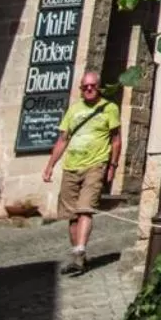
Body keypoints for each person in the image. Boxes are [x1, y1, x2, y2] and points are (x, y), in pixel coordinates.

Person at [41, 70, 121, 276]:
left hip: (95, 165)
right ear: (80, 89)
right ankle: (78, 256)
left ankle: (79, 252)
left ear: (99, 86)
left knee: (85, 209)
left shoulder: (109, 108)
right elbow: (62, 140)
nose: (89, 89)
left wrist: (112, 166)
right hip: (71, 166)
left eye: (92, 86)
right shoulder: (74, 109)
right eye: (85, 87)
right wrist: (50, 165)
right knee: (72, 215)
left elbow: (116, 140)